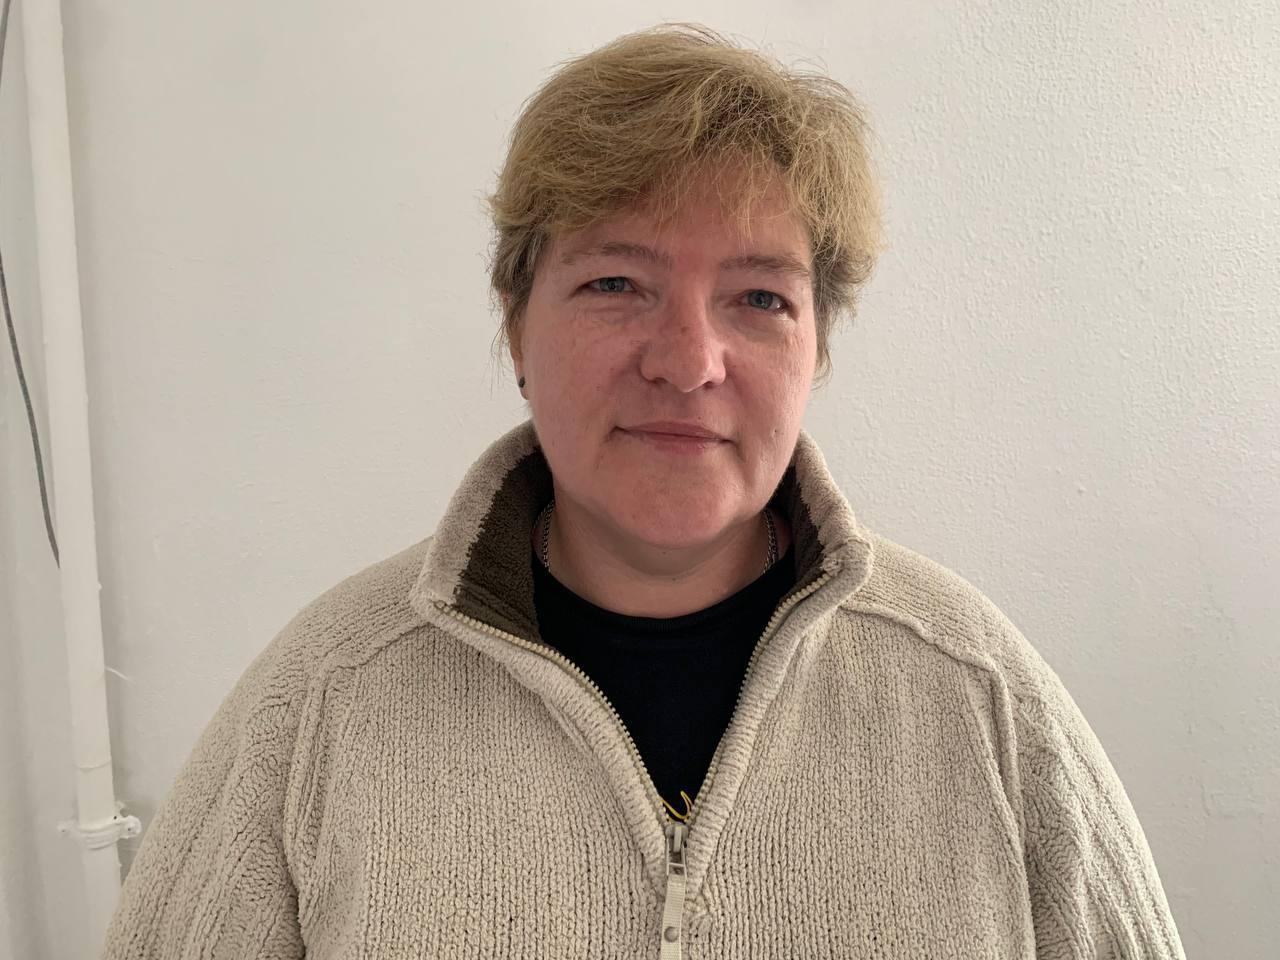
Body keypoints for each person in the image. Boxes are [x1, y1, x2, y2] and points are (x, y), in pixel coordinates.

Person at [102, 22, 1186, 960]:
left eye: (758, 298)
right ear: (516, 326)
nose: (687, 361)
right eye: (615, 283)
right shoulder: (324, 698)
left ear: (815, 350)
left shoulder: (978, 694)